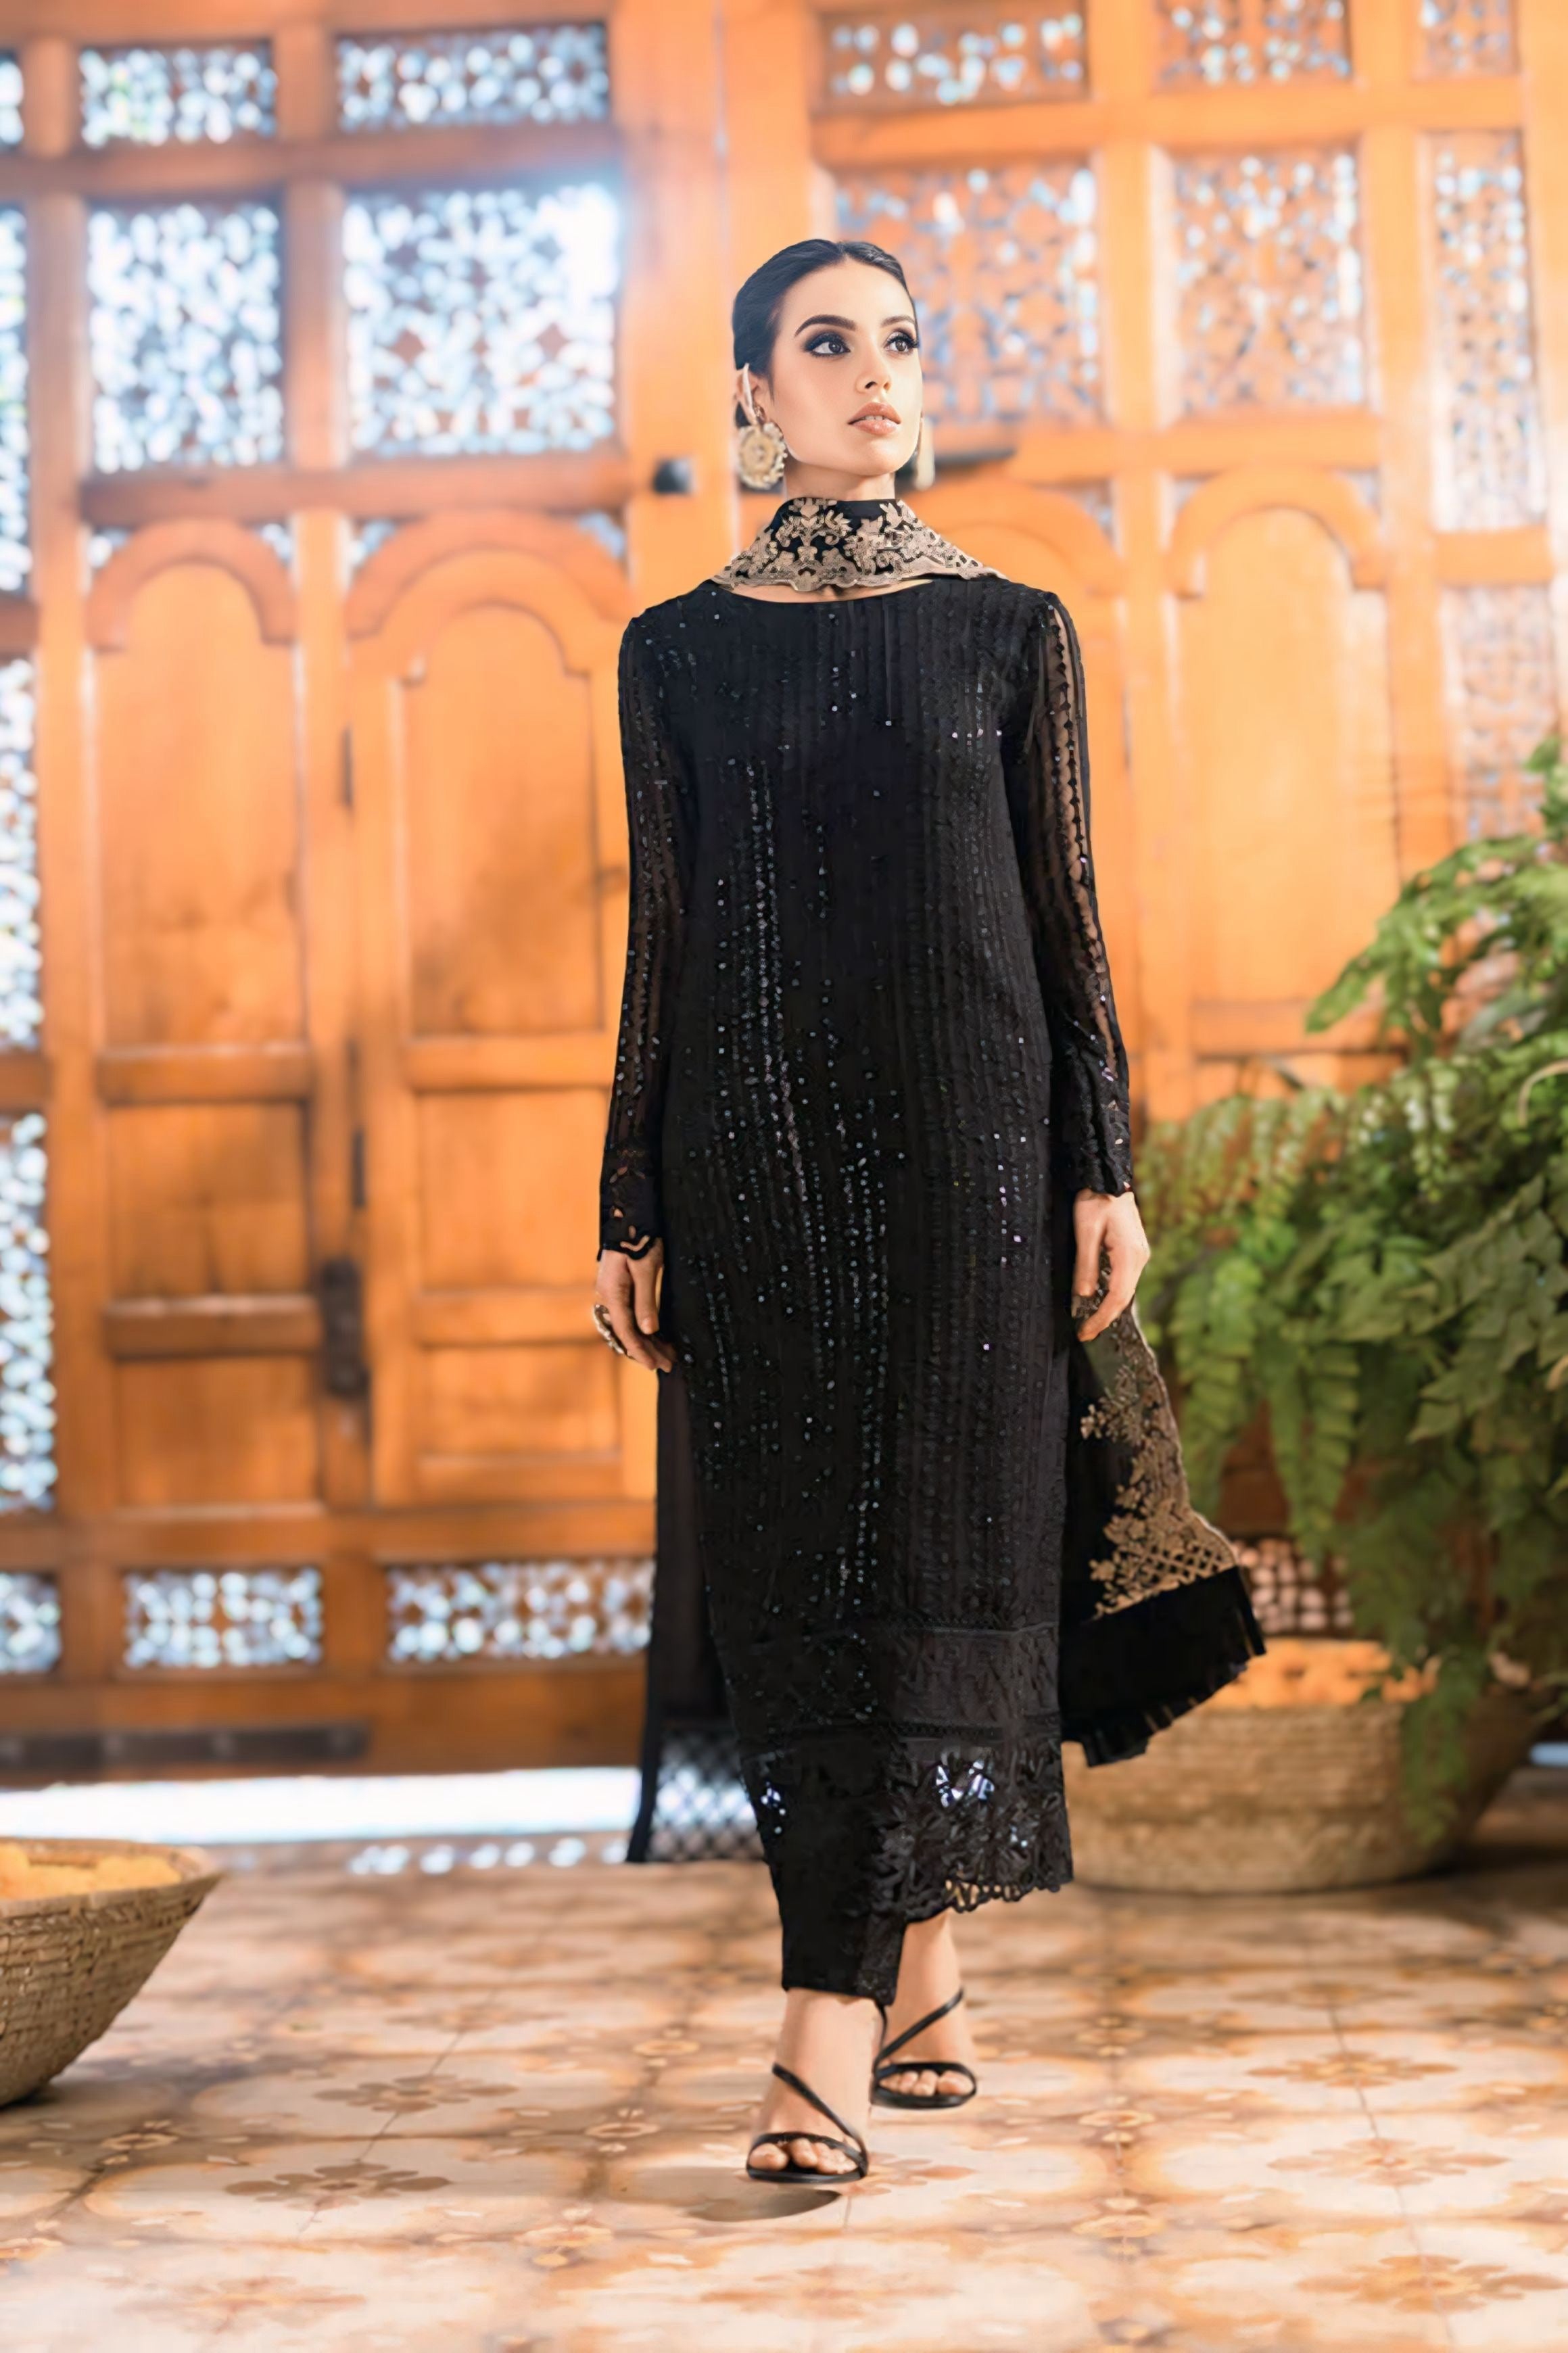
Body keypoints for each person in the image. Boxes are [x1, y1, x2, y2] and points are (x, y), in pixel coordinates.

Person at [593, 237, 1262, 2187]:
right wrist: (630, 1199)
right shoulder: (675, 652)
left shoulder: (1009, 632)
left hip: (977, 1150)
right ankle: (913, 1977)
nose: (874, 372)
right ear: (754, 395)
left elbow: (1067, 918)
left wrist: (1101, 1159)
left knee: (953, 1547)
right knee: (803, 1572)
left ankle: (832, 2013)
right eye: (828, 344)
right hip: (757, 1160)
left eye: (898, 341)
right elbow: (665, 940)